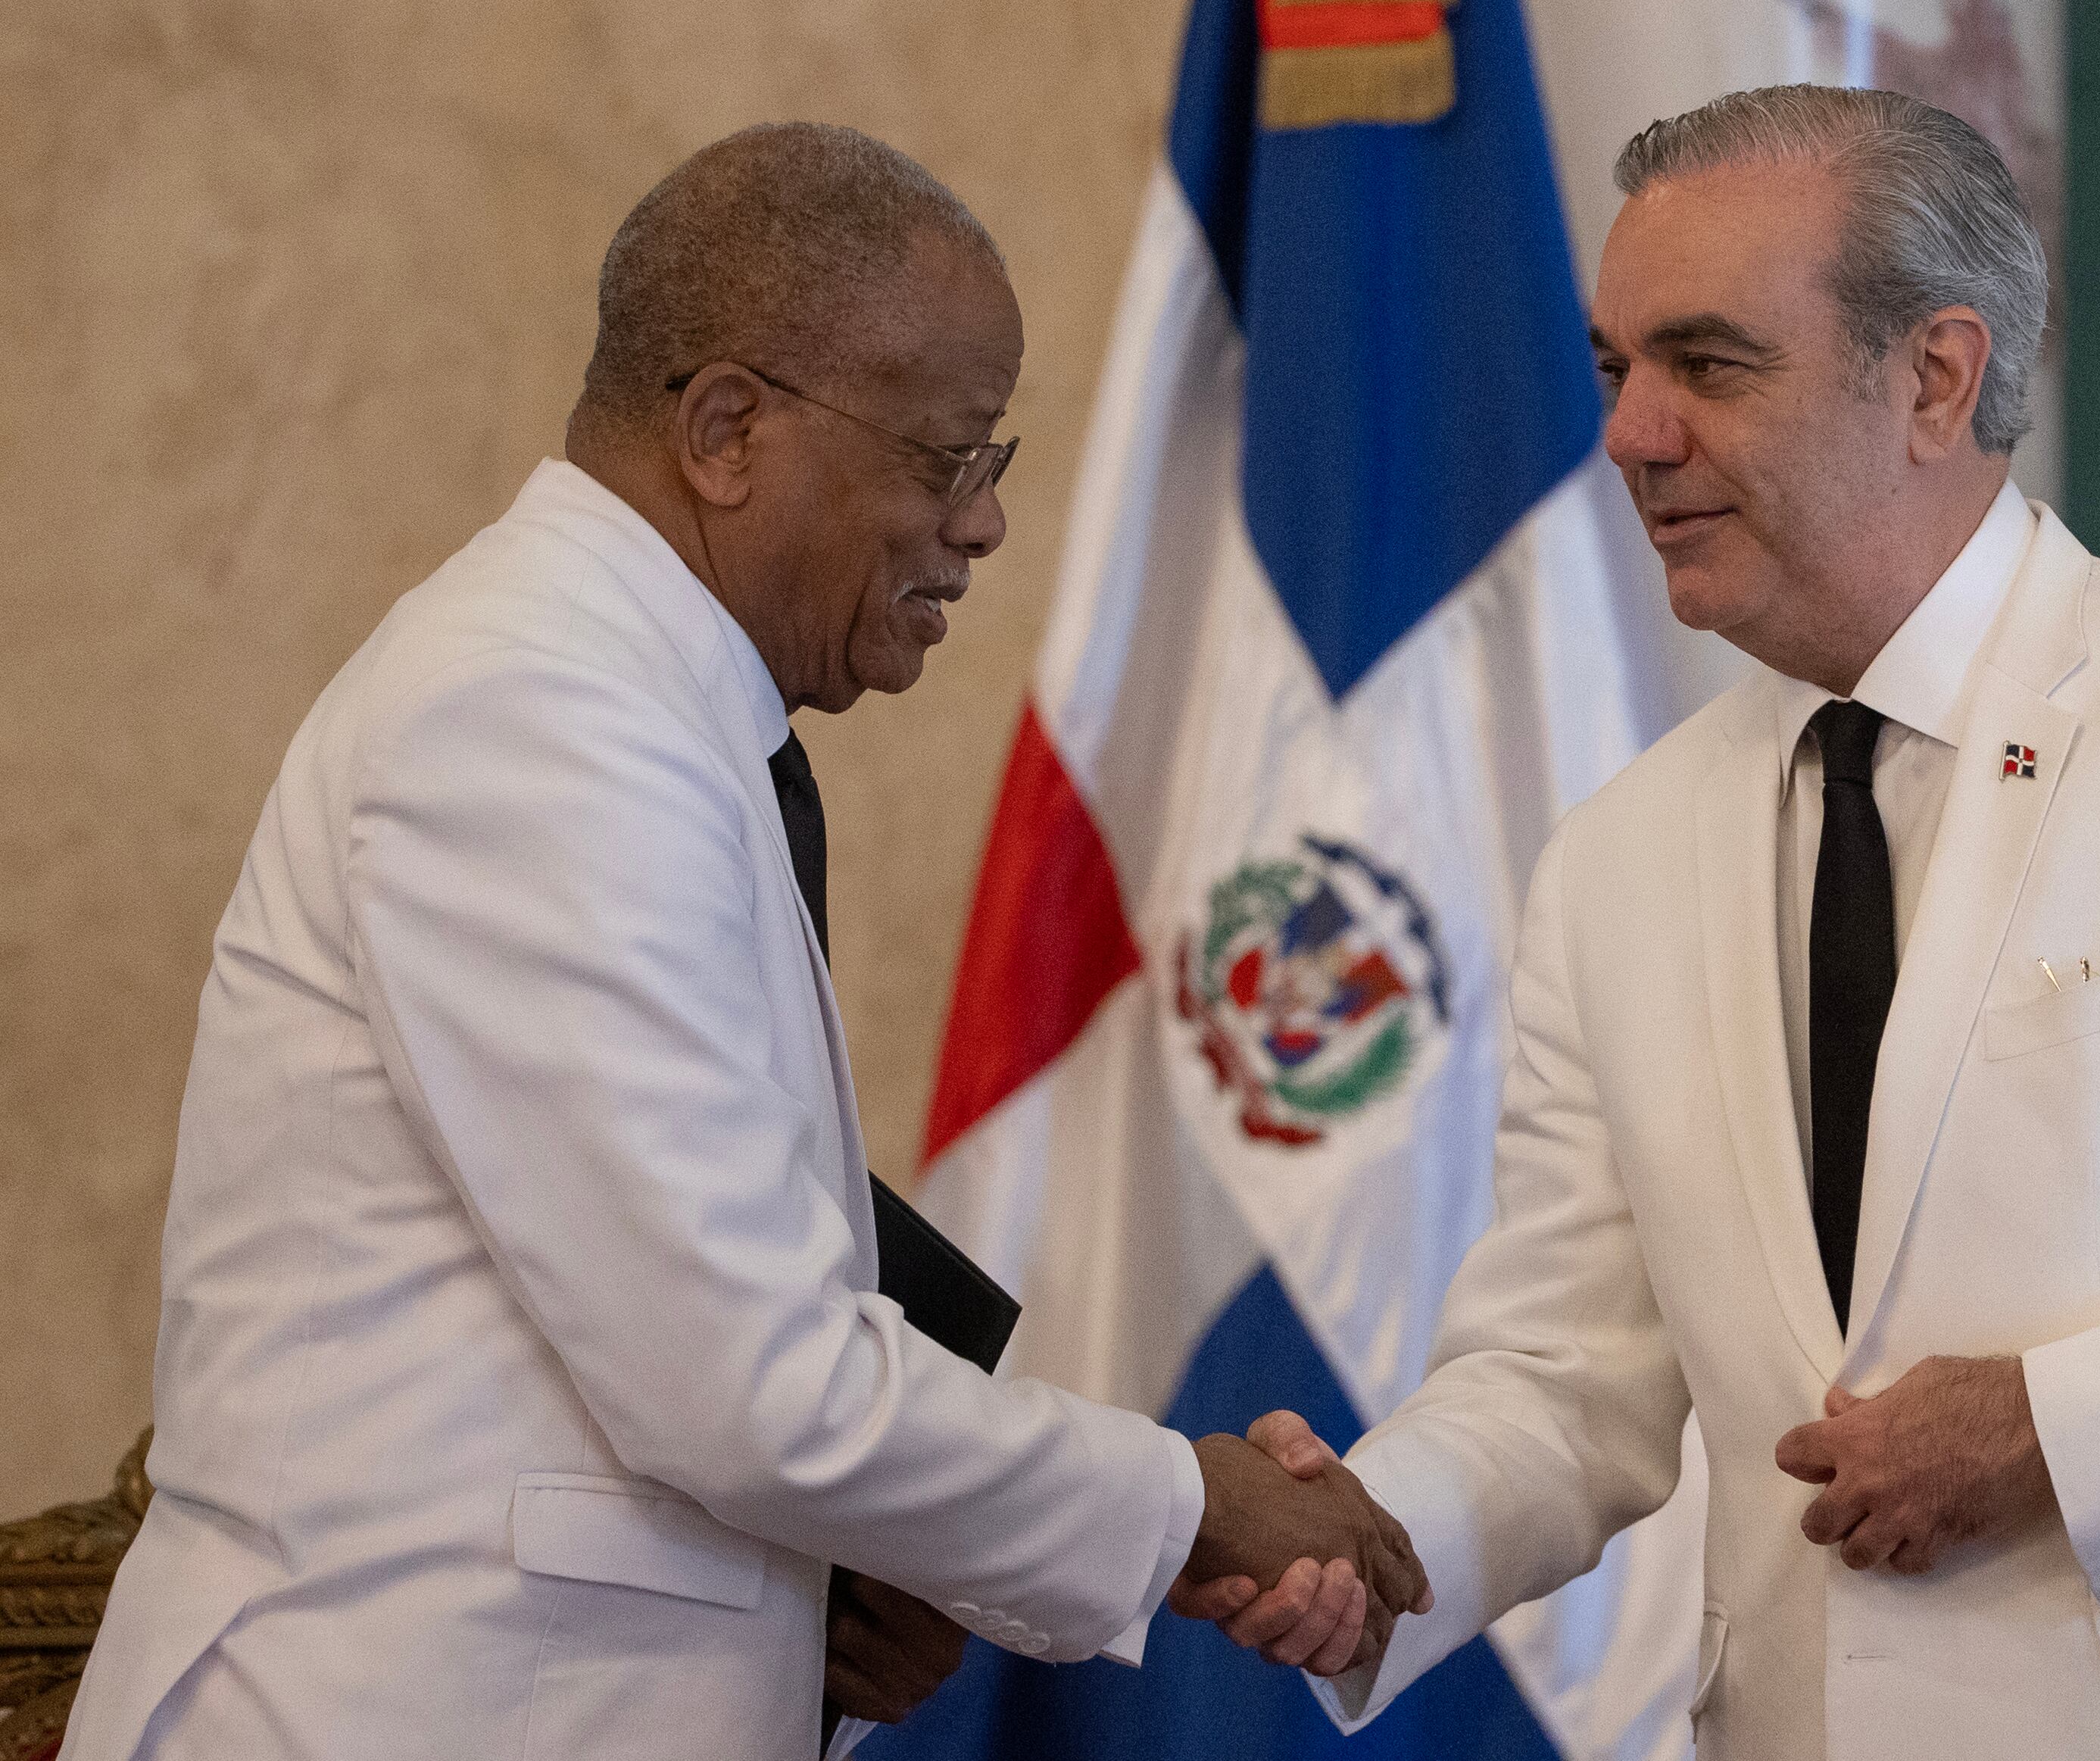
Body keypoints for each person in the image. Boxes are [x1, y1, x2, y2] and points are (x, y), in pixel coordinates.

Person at [1201, 86, 2100, 1758]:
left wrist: (2053, 1423)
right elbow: (1562, 1375)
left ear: (1935, 377)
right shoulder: (1616, 854)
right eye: (1615, 370)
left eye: (1706, 363)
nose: (1628, 436)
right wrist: (1371, 1534)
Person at [63, 123, 1422, 1761]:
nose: (982, 525)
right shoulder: (533, 716)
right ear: (724, 429)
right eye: (949, 458)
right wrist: (1186, 1501)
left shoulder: (648, 717)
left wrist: (832, 1594)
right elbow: (745, 1384)